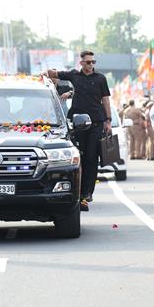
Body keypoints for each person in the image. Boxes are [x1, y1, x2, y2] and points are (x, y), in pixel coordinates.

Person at [45, 50, 112, 211]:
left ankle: (86, 193)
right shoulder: (74, 75)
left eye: (93, 62)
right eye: (88, 62)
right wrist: (44, 74)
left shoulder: (101, 79)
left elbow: (106, 100)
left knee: (91, 157)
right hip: (76, 124)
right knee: (78, 158)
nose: (91, 65)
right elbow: (53, 73)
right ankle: (75, 191)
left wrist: (108, 120)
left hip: (95, 124)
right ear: (81, 63)